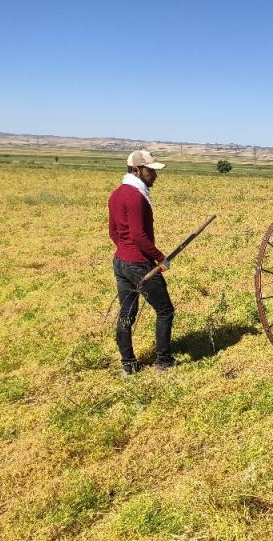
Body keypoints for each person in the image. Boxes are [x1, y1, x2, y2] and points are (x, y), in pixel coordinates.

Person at [108, 150, 177, 375]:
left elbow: (114, 233)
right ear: (136, 170)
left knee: (127, 312)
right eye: (151, 171)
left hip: (120, 262)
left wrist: (124, 251)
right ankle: (163, 361)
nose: (155, 176)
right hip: (139, 264)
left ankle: (128, 364)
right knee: (165, 310)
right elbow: (138, 236)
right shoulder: (136, 197)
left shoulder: (117, 194)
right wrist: (160, 257)